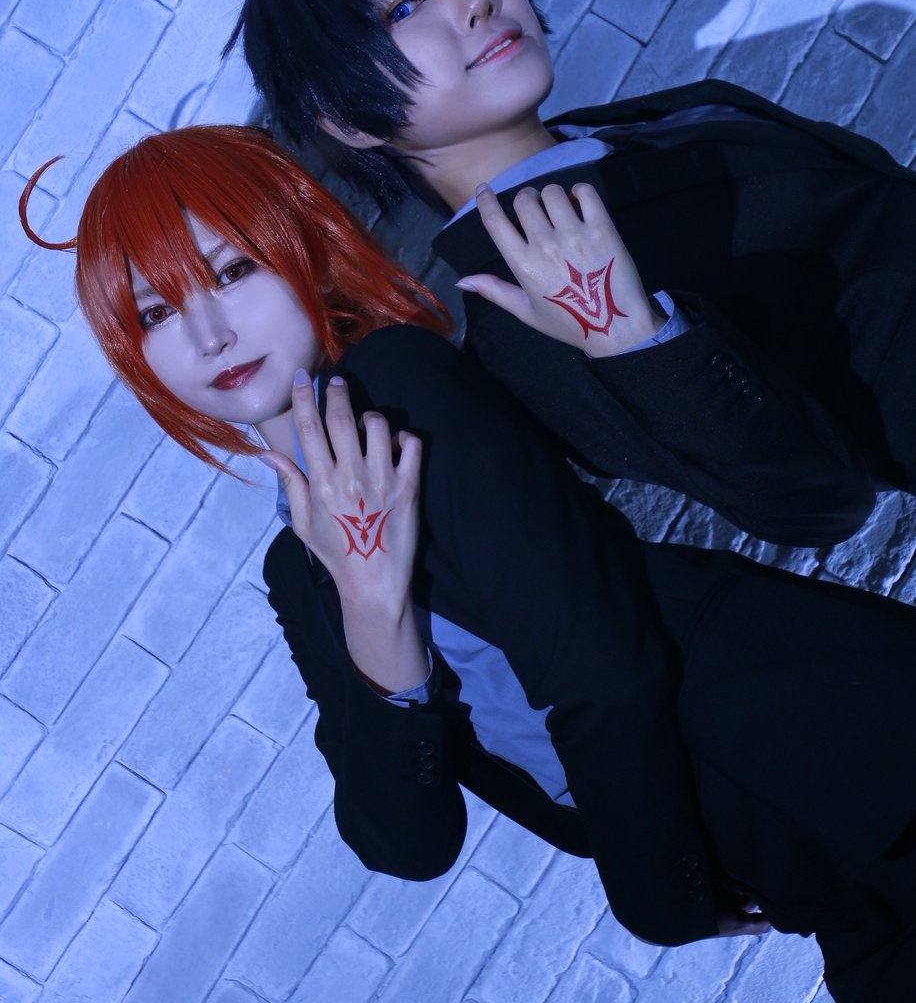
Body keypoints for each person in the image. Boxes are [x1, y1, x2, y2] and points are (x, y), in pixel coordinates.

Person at [20, 125, 916, 1001]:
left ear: (305, 247)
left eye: (231, 272)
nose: (209, 333)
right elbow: (405, 842)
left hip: (847, 741)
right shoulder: (299, 573)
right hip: (816, 865)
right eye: (155, 313)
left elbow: (600, 663)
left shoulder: (402, 383)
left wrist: (657, 905)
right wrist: (373, 610)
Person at [225, 0, 916, 537]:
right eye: (402, 9)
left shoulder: (644, 119)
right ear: (350, 120)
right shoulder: (523, 325)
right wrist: (636, 341)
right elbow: (816, 502)